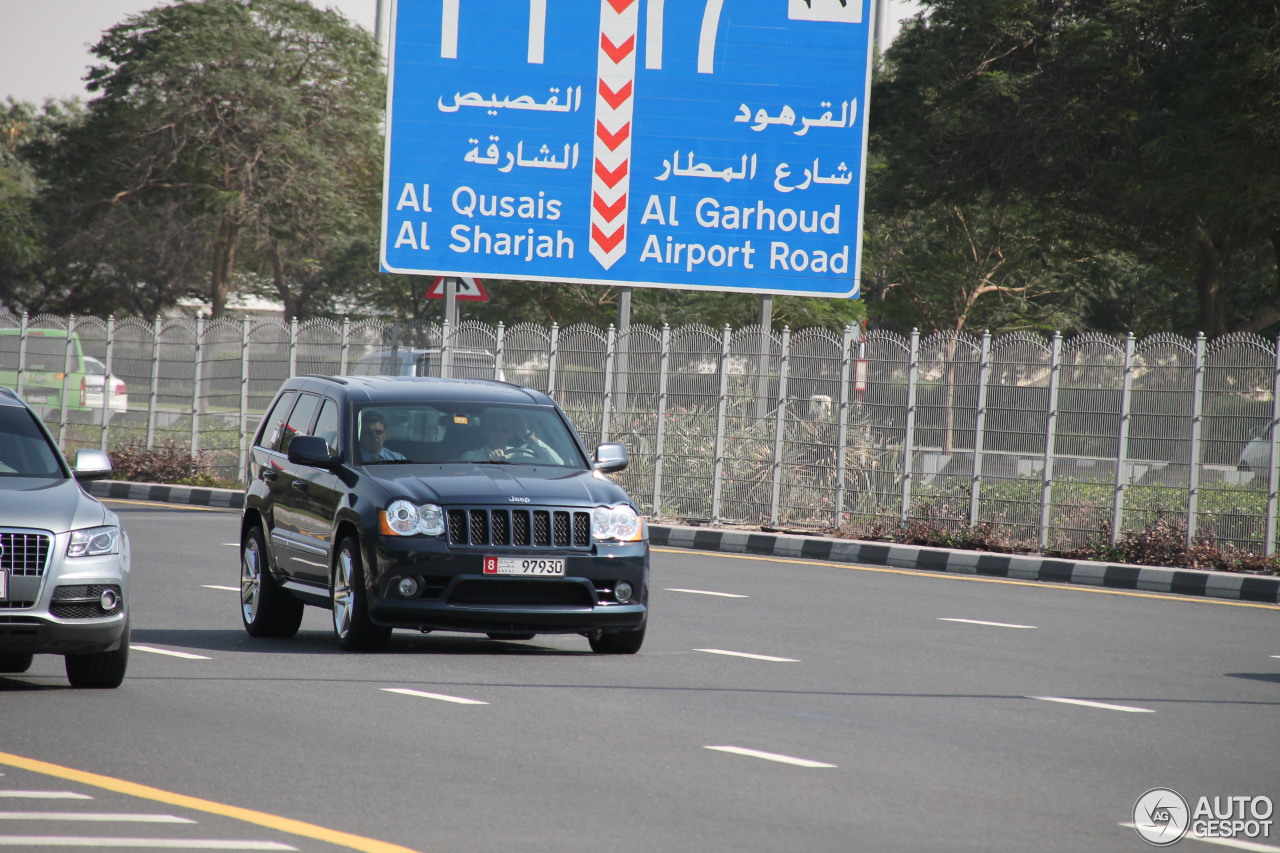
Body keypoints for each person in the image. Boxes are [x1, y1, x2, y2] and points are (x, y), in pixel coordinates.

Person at [464, 410, 563, 464]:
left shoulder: (523, 454)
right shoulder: (473, 457)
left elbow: (558, 464)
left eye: (504, 430)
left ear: (511, 433)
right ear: (485, 431)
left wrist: (527, 434)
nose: (498, 434)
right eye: (494, 429)